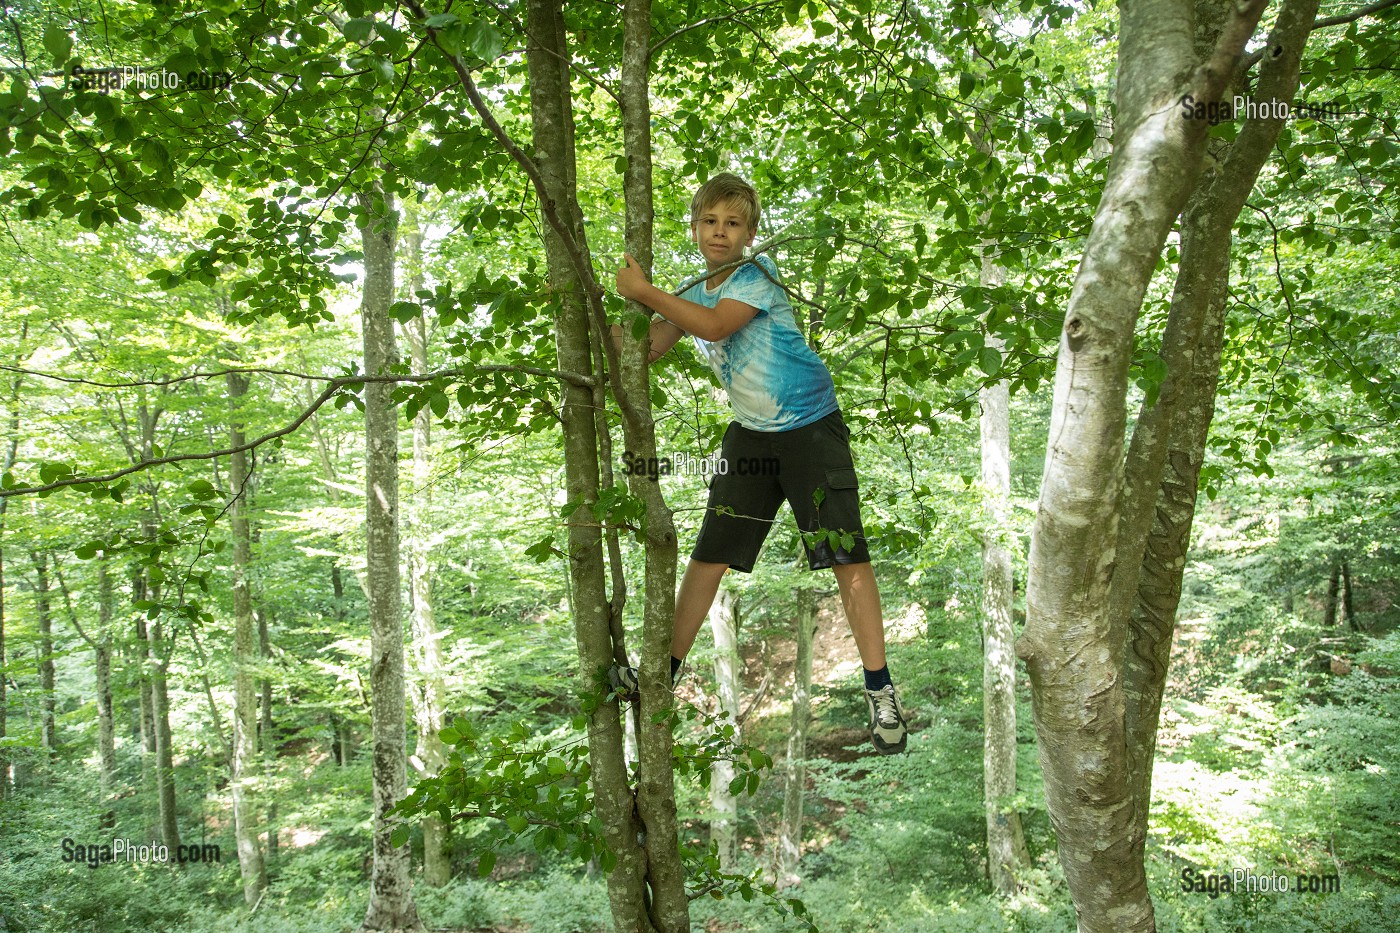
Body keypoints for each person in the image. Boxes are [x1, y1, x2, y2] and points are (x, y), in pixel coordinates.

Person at [610, 172, 907, 755]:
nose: (720, 233)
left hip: (810, 432)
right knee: (709, 557)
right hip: (751, 438)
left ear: (750, 233)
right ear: (694, 227)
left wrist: (645, 293)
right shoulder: (694, 289)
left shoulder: (755, 281)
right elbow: (647, 349)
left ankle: (881, 691)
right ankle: (659, 677)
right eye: (709, 221)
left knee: (844, 554)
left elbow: (717, 327)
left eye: (733, 224)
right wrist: (598, 313)